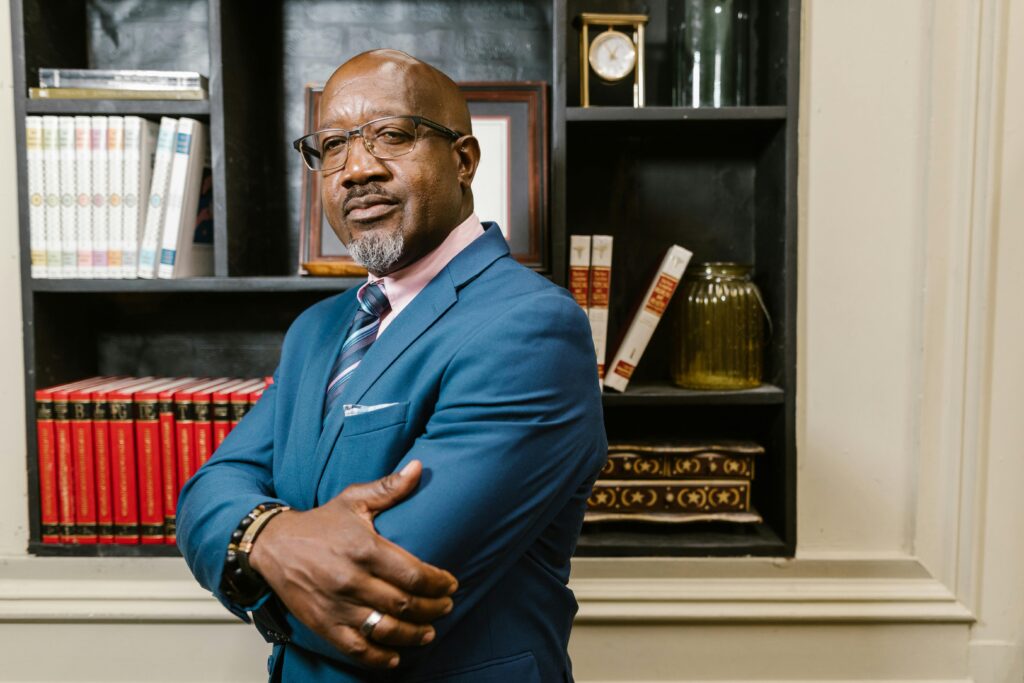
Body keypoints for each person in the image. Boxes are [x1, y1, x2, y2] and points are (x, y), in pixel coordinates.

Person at [177, 49, 606, 682]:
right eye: (332, 147)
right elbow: (205, 493)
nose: (355, 170)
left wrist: (241, 554)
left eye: (391, 136)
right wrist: (269, 539)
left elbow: (377, 590)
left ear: (464, 160)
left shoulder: (532, 329)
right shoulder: (317, 332)